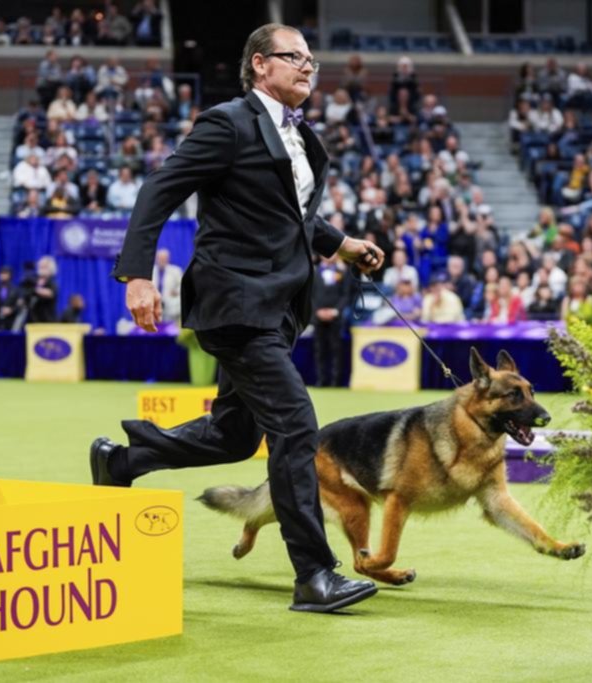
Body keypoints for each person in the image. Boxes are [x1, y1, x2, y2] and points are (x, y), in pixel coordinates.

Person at [90, 23, 383, 614]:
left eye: (310, 60)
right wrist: (138, 274)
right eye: (292, 57)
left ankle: (123, 460)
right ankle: (314, 575)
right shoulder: (227, 122)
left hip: (278, 307)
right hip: (235, 302)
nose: (306, 67)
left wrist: (343, 243)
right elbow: (160, 188)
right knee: (297, 426)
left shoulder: (300, 137)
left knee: (234, 433)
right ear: (258, 65)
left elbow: (290, 216)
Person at [312, 253, 349, 387]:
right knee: (320, 350)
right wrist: (317, 311)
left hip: (335, 318)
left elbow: (346, 294)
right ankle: (321, 380)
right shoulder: (314, 272)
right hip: (318, 316)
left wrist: (335, 311)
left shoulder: (342, 272)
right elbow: (310, 295)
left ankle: (336, 382)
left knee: (336, 350)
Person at [152, 248, 183, 322]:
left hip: (170, 305)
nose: (162, 260)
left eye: (164, 258)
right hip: (153, 304)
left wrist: (176, 291)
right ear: (156, 259)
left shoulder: (176, 271)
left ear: (168, 259)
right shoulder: (151, 271)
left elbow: (182, 286)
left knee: (169, 326)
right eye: (160, 258)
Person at [28, 255, 58, 323]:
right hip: (33, 320)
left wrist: (35, 290)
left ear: (50, 269)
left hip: (47, 321)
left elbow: (50, 293)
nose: (41, 269)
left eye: (44, 267)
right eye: (40, 267)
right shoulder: (34, 281)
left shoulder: (52, 283)